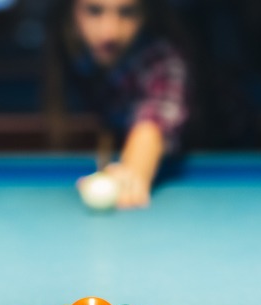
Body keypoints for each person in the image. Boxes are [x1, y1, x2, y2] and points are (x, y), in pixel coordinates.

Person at [44, 0, 191, 209]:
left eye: (127, 13)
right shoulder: (74, 56)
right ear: (70, 12)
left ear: (145, 15)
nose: (109, 32)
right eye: (94, 11)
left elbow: (155, 116)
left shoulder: (161, 60)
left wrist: (133, 171)